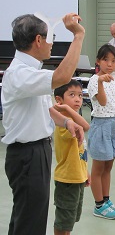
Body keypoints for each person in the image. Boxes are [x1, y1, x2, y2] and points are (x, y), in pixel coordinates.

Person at [1, 13, 85, 235]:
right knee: (30, 222)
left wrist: (66, 122)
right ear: (38, 40)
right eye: (51, 37)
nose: (52, 43)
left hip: (36, 152)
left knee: (28, 217)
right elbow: (63, 76)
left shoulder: (30, 72)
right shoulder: (20, 74)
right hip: (28, 155)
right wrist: (78, 36)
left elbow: (45, 108)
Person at [87, 44, 115, 220]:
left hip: (114, 126)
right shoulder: (94, 80)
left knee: (109, 166)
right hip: (101, 125)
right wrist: (101, 82)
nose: (110, 64)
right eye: (106, 60)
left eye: (114, 61)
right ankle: (98, 205)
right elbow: (102, 102)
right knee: (98, 167)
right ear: (98, 61)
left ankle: (106, 200)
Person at [53, 80, 91, 235]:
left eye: (80, 95)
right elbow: (87, 126)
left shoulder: (72, 120)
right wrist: (67, 109)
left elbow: (80, 151)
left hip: (77, 177)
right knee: (63, 220)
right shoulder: (64, 124)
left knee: (70, 219)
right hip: (67, 179)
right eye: (72, 95)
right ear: (59, 100)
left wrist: (85, 172)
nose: (78, 99)